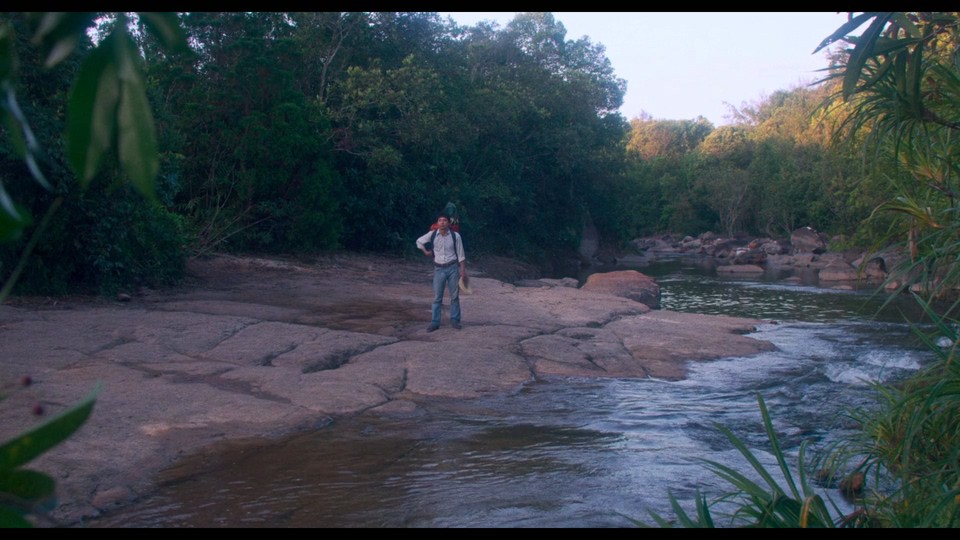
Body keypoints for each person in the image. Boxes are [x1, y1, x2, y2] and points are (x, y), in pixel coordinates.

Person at [416, 212, 467, 331]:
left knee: (454, 296)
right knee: (437, 297)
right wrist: (425, 251)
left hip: (453, 267)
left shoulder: (455, 236)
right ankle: (435, 322)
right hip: (439, 269)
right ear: (437, 223)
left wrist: (462, 271)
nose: (442, 222)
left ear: (449, 223)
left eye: (444, 220)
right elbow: (419, 241)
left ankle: (455, 320)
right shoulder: (432, 234)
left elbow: (461, 254)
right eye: (440, 220)